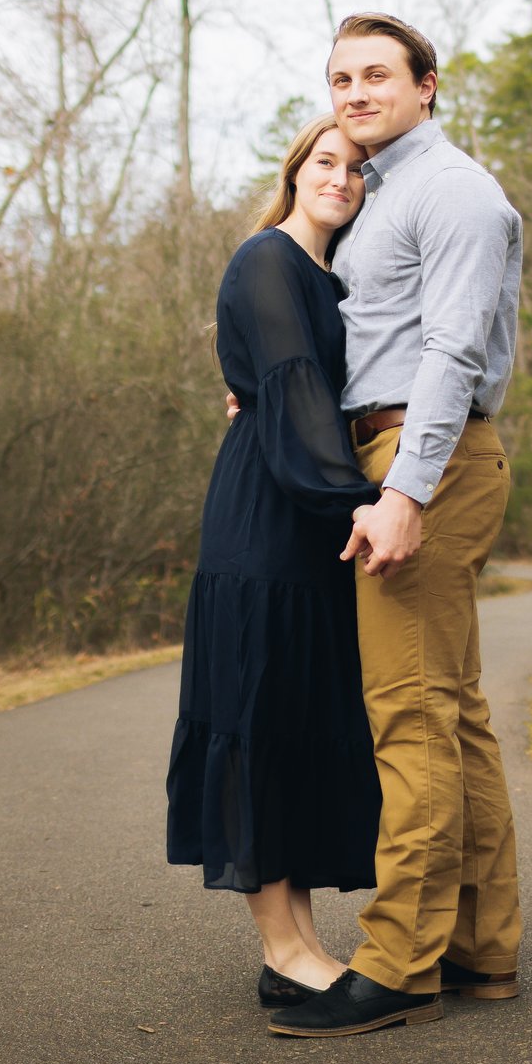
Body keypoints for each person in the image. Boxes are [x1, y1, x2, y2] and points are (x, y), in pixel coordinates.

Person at [267, 12, 525, 1040]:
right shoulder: (379, 191)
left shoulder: (453, 189)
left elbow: (454, 350)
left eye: (377, 74)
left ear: (428, 84)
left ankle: (400, 960)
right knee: (451, 712)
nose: (355, 91)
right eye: (339, 77)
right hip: (389, 448)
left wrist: (408, 490)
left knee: (410, 715)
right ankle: (477, 944)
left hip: (427, 455)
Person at [165, 116, 384, 1009]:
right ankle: (284, 949)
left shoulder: (337, 279)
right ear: (296, 172)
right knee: (254, 724)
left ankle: (296, 947)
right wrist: (362, 502)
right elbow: (292, 390)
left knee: (291, 730)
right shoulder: (267, 258)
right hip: (270, 517)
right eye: (325, 161)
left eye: (358, 168)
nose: (340, 177)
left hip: (309, 520)